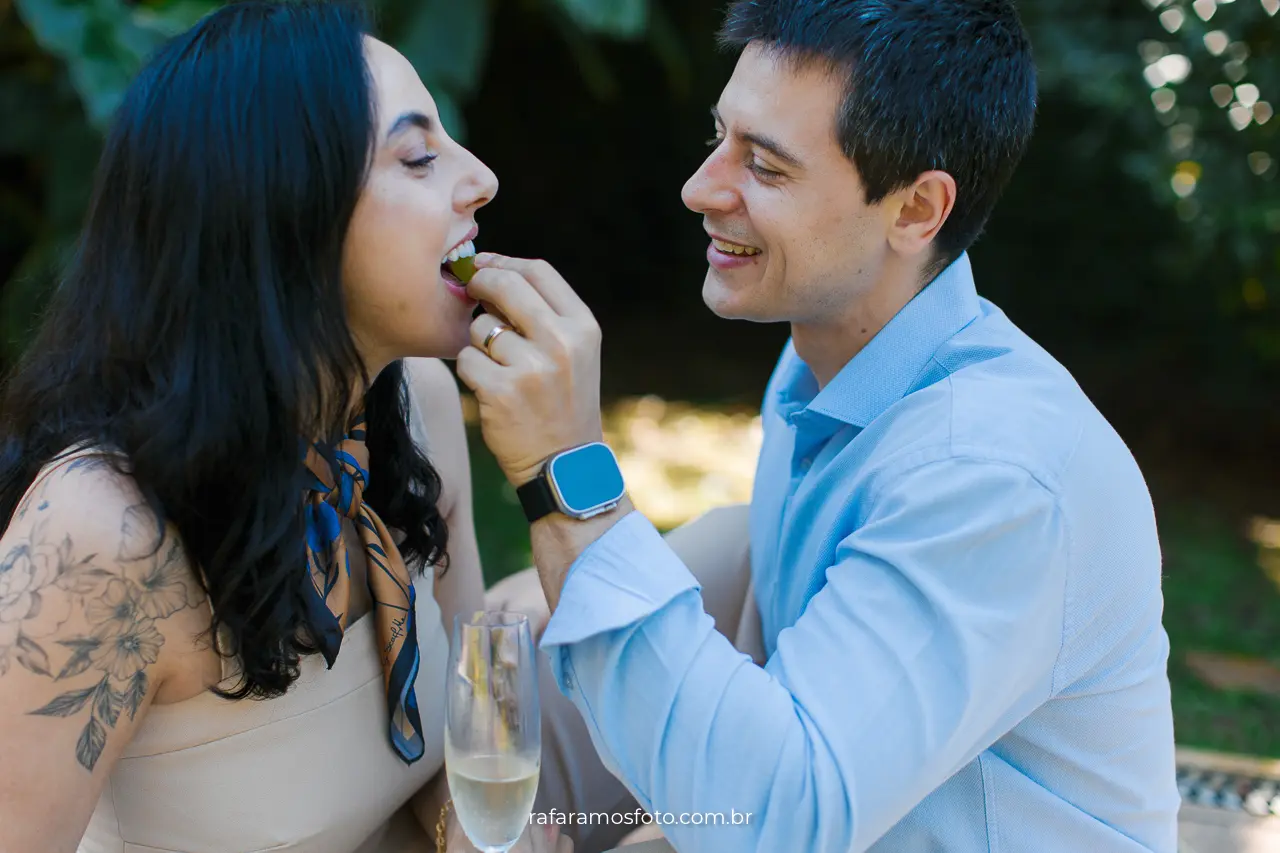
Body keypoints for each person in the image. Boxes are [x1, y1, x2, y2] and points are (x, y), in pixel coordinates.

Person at [459, 0, 1182, 851]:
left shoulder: (992, 474)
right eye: (718, 137)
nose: (700, 189)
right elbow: (776, 570)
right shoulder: (826, 363)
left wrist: (565, 468)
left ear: (916, 210)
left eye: (764, 167)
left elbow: (775, 819)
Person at [0, 3, 572, 851]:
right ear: (281, 211)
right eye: (418, 156)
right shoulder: (101, 535)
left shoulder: (414, 401)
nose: (481, 176)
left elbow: (465, 715)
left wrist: (478, 831)